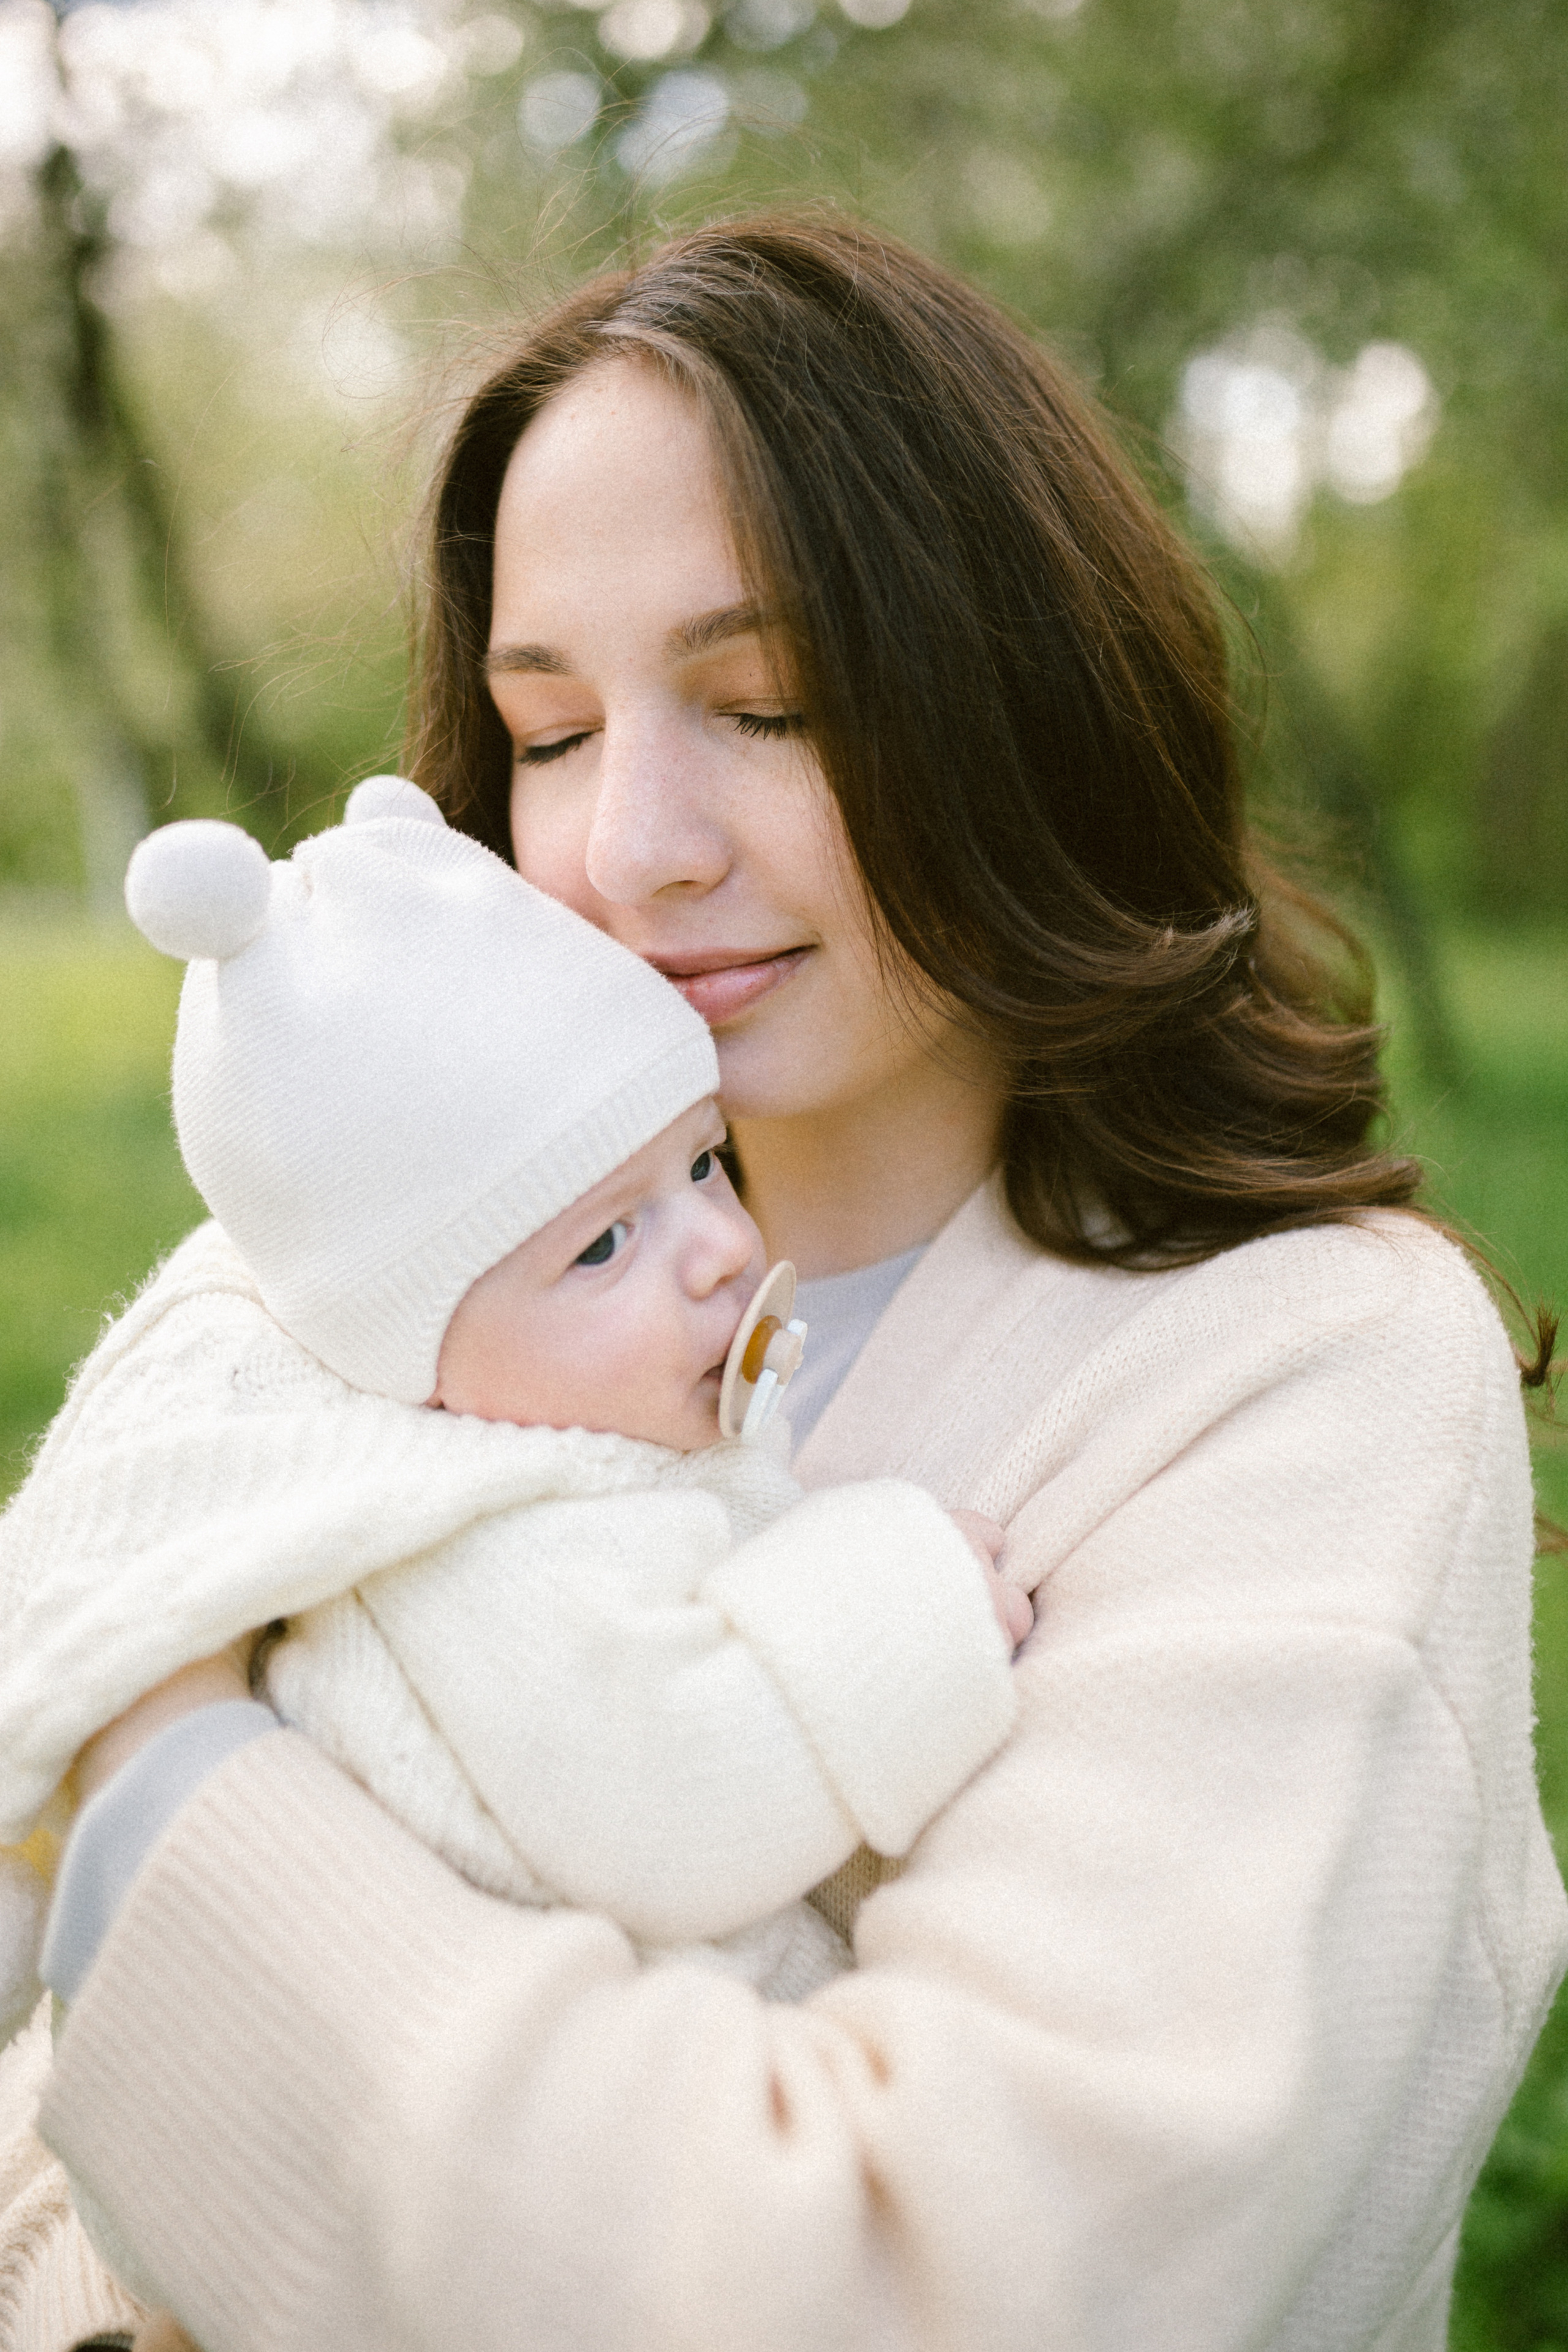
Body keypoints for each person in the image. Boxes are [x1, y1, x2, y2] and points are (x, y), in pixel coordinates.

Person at [4, 213, 1564, 2352]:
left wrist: (165, 1790)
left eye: (769, 702)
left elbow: (921, 2285)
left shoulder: (1304, 1378)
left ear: (1021, 698)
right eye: (546, 734)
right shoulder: (350, 1277)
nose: (633, 845)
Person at [0, 774, 1023, 2071]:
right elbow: (665, 1800)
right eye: (602, 1243)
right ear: (422, 1360)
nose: (715, 1247)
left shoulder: (573, 1427)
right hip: (542, 2098)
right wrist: (909, 1600)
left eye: (703, 1162)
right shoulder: (485, 1552)